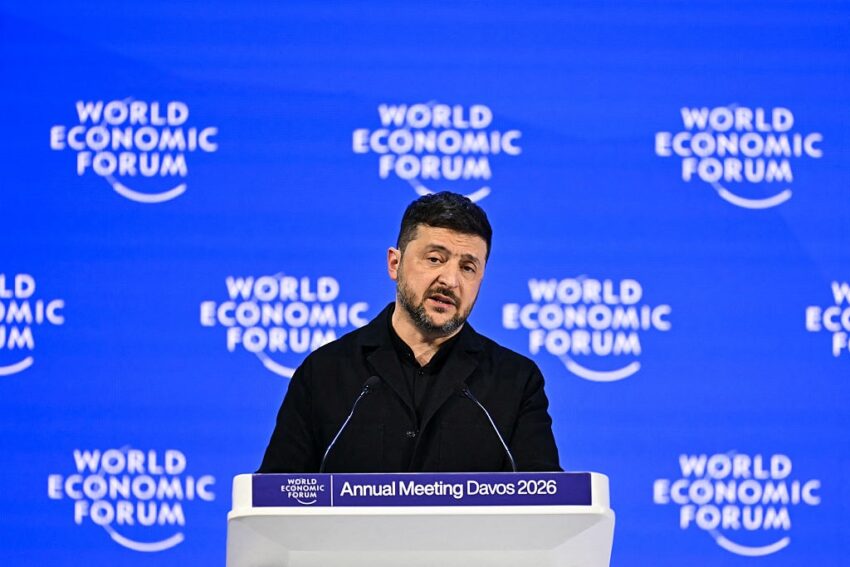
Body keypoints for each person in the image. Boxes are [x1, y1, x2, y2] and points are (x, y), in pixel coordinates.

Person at [259, 192, 561, 473]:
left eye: (468, 267)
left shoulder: (515, 381)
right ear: (395, 263)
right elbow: (276, 497)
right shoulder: (325, 373)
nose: (450, 280)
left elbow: (547, 499)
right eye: (435, 259)